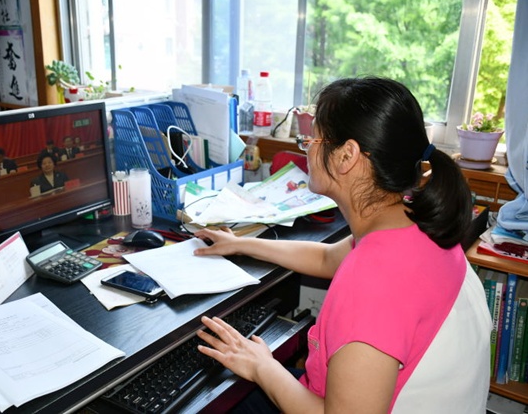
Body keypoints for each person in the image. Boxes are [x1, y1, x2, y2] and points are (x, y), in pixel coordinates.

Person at [193, 77, 492, 413]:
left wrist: (262, 366)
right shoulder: (416, 222)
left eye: (312, 139)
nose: (307, 149)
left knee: (218, 401)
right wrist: (240, 244)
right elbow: (327, 258)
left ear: (346, 155)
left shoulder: (373, 281)